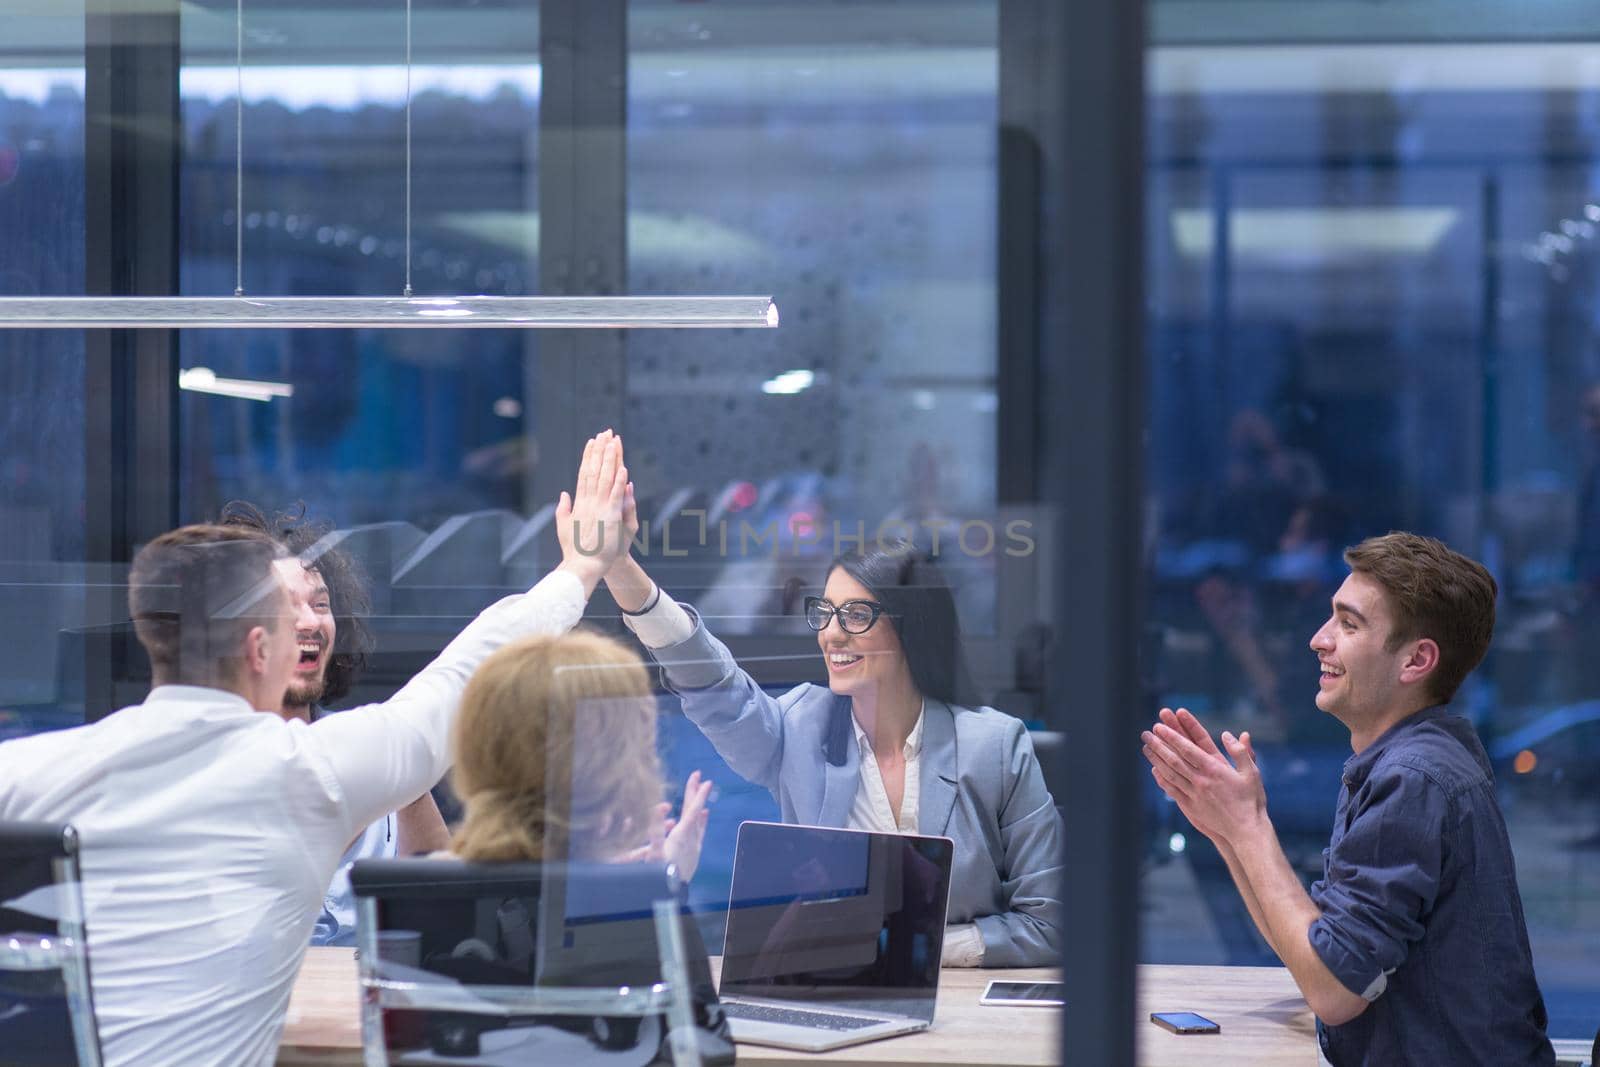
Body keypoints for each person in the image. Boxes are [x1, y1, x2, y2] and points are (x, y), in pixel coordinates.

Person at [0, 432, 633, 1067]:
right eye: (288, 617)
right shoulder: (308, 772)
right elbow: (467, 671)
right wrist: (580, 568)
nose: (310, 628)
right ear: (259, 650)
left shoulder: (32, 770)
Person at [602, 452, 1062, 968]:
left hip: (961, 1006)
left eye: (856, 614)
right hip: (835, 992)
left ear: (912, 627)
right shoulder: (801, 727)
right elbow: (714, 684)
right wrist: (622, 570)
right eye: (824, 611)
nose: (831, 632)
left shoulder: (995, 746)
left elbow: (1050, 924)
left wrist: (919, 949)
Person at [1142, 531, 1553, 1066]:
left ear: (1415, 661)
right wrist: (1225, 828)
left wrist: (1249, 827)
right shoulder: (1409, 759)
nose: (1319, 638)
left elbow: (1335, 990)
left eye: (1349, 623)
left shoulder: (1415, 778)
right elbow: (1317, 957)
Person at [218, 501, 450, 946]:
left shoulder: (375, 743)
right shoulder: (209, 762)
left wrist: (403, 768)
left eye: (321, 605)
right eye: (285, 607)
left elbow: (446, 913)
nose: (309, 622)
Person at [449, 629, 712, 879]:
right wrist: (663, 888)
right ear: (602, 768)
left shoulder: (429, 885)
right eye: (641, 745)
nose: (651, 760)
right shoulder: (592, 908)